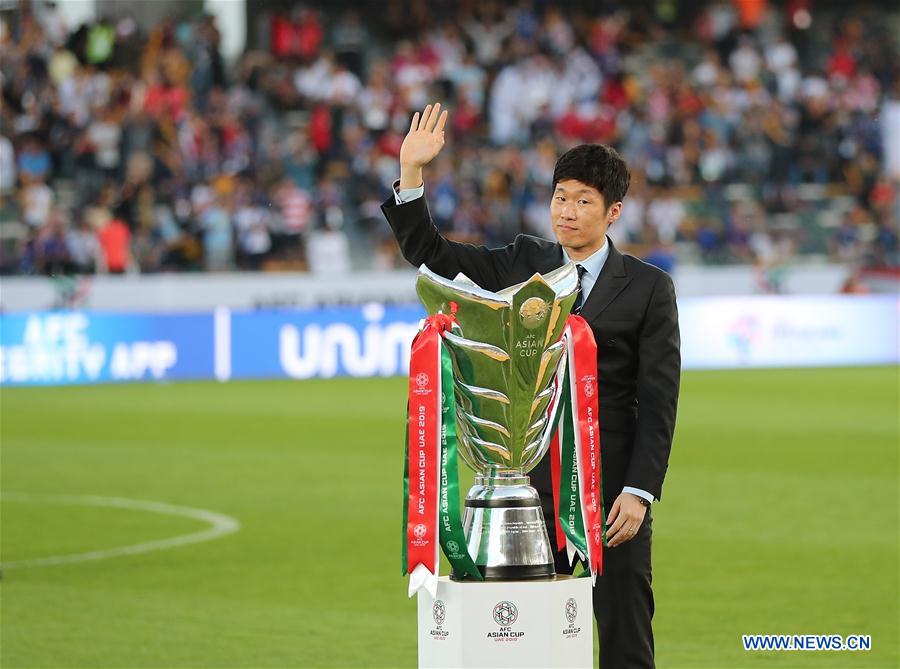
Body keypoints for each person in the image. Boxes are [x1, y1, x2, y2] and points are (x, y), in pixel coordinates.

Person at [381, 103, 680, 669]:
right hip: (524, 482)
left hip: (609, 492)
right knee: (513, 631)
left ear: (613, 211)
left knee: (624, 630)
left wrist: (640, 492)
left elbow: (660, 400)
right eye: (560, 197)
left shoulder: (649, 289)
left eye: (583, 201)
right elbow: (434, 257)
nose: (566, 212)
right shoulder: (525, 262)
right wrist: (412, 175)